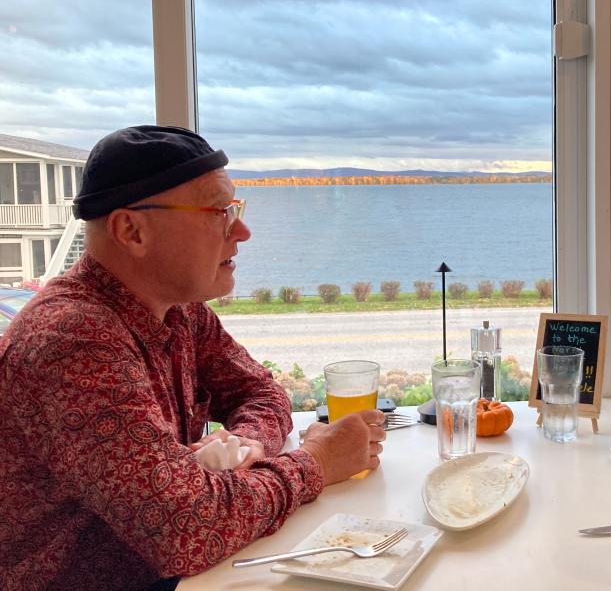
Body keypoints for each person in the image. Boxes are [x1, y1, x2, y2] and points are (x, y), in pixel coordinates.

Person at [0, 126, 386, 590]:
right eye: (217, 212)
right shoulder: (73, 339)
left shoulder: (176, 307)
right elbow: (185, 527)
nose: (241, 231)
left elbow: (259, 390)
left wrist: (245, 444)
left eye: (235, 210)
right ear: (131, 230)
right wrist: (318, 462)